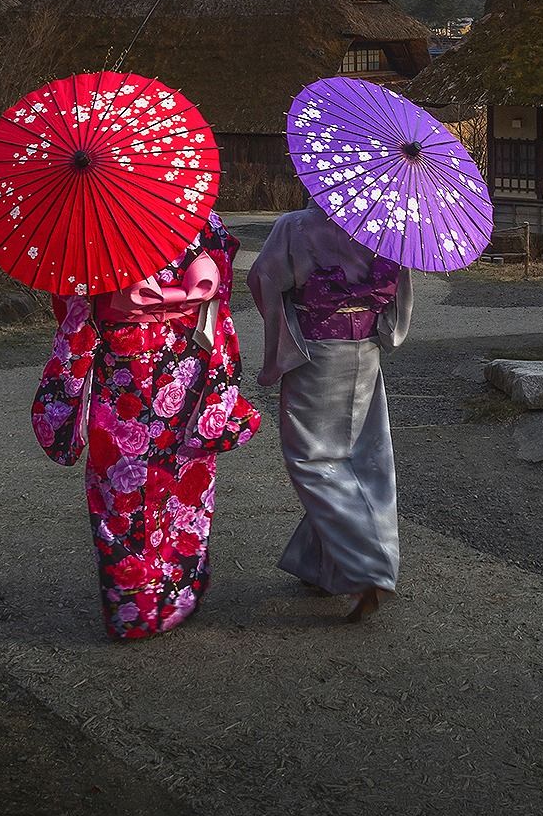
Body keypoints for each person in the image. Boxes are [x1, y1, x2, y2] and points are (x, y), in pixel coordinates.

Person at [30, 213, 259, 641]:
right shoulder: (200, 220)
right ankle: (179, 591)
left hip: (125, 378)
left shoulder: (89, 226)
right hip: (186, 371)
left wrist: (71, 375)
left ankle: (134, 606)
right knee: (185, 487)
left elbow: (72, 309)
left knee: (122, 490)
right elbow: (219, 287)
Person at [247, 201, 413, 621]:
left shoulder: (296, 225)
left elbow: (264, 278)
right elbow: (400, 292)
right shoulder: (386, 225)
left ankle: (368, 565)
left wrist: (287, 309)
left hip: (316, 354)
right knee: (362, 456)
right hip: (365, 353)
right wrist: (380, 327)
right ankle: (320, 567)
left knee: (312, 457)